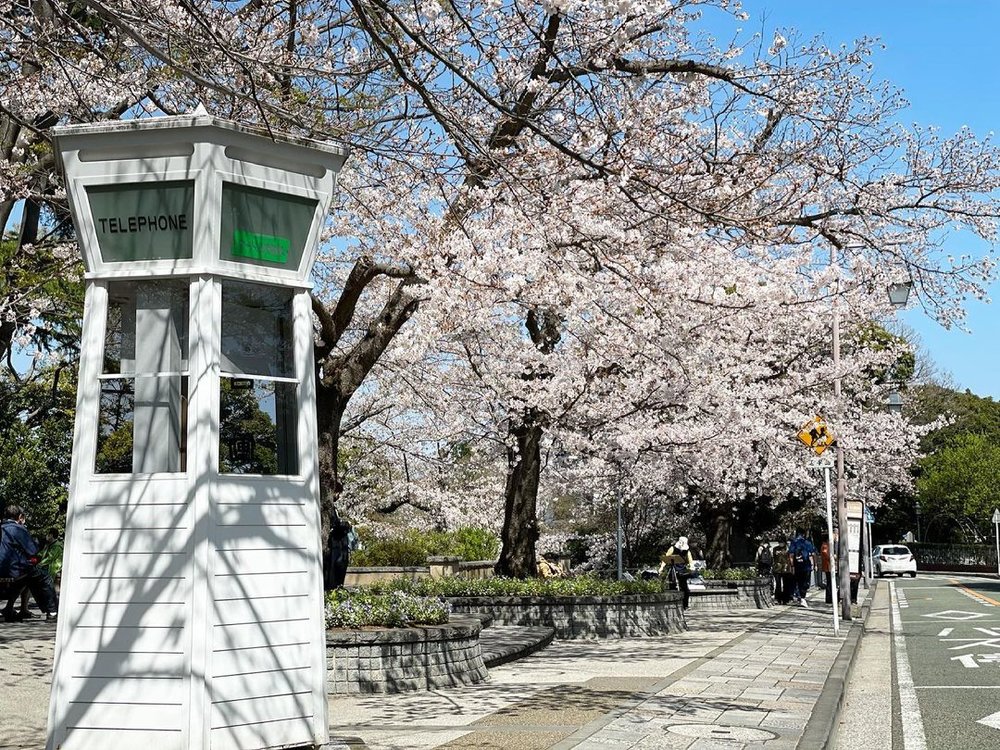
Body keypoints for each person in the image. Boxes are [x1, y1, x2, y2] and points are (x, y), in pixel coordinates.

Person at [0, 505, 58, 621]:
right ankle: (52, 611)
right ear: (20, 517)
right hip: (13, 569)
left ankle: (10, 608)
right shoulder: (18, 529)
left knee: (23, 579)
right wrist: (37, 542)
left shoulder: (2, 527)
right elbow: (33, 550)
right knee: (44, 577)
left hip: (5, 569)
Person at [659, 536, 695, 609]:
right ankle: (674, 606)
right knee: (673, 587)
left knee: (685, 589)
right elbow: (666, 559)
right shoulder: (672, 549)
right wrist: (661, 568)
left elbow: (690, 561)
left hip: (682, 571)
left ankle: (685, 605)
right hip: (673, 570)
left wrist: (692, 568)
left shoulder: (687, 551)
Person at [789, 528, 817, 607]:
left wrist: (792, 566)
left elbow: (791, 555)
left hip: (797, 566)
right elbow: (813, 554)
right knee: (805, 582)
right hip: (806, 566)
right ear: (804, 534)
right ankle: (802, 597)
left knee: (798, 582)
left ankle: (799, 597)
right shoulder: (807, 543)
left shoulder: (793, 543)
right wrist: (815, 565)